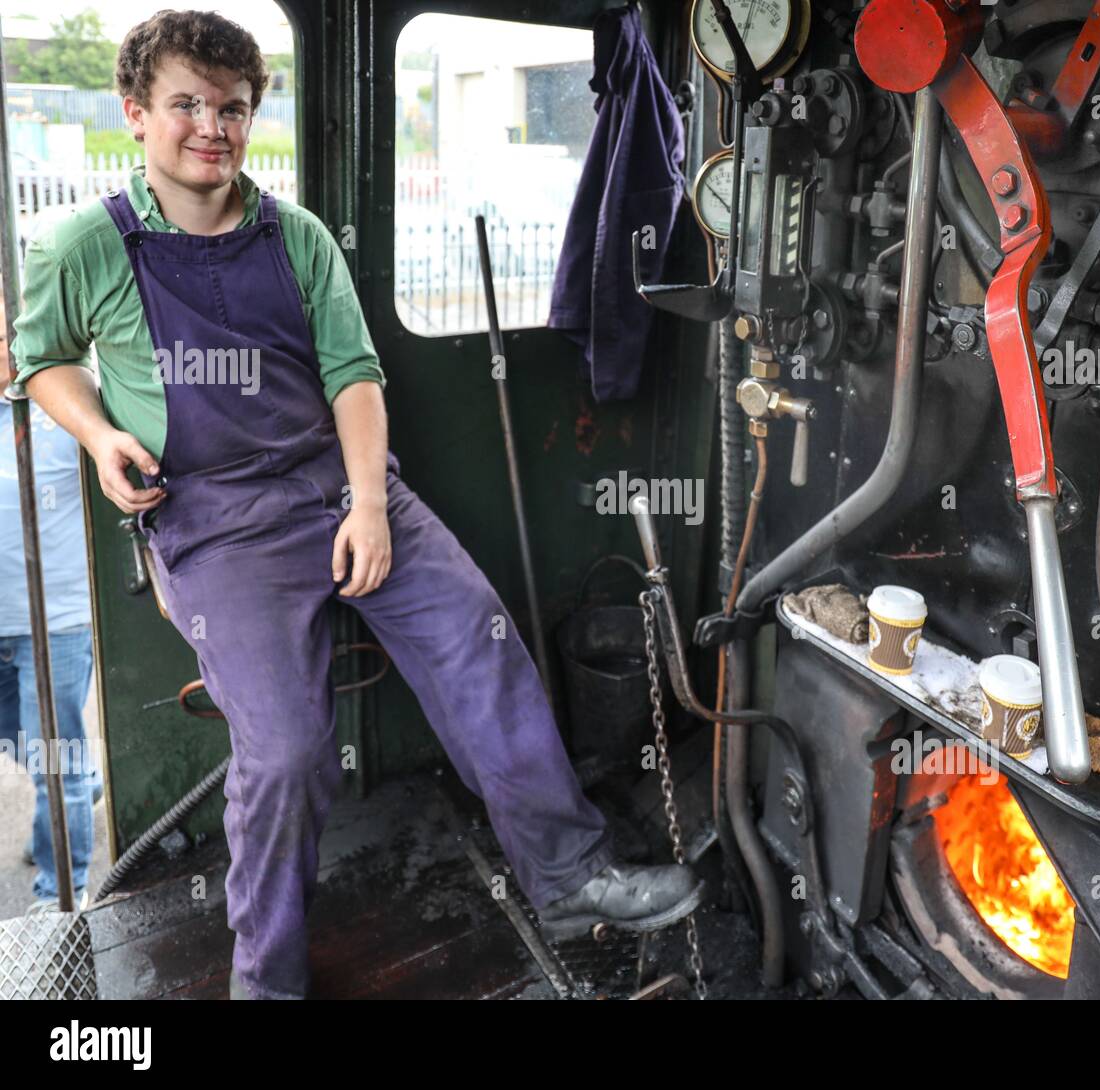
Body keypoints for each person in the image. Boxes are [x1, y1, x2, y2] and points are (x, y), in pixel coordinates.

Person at [12, 9, 701, 1000]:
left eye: (235, 108)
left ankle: (566, 877)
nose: (214, 126)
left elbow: (355, 378)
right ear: (136, 114)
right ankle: (269, 977)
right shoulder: (87, 244)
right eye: (188, 105)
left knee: (480, 637)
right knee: (289, 751)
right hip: (208, 516)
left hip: (336, 482)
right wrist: (99, 431)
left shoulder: (294, 238)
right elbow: (43, 362)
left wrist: (370, 503)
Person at [0, 286, 101, 913]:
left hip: (55, 625)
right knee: (24, 742)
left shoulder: (64, 404)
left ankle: (60, 897)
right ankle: (80, 782)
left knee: (53, 767)